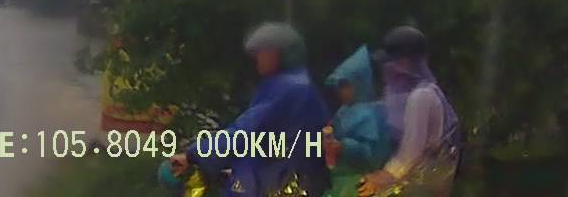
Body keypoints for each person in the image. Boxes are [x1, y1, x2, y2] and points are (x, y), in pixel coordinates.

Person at [170, 22, 331, 196]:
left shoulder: (290, 89)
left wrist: (193, 155)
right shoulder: (298, 86)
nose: (257, 59)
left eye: (263, 52)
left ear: (280, 54)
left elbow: (246, 132)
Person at [358, 26, 460, 197]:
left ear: (404, 64)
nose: (385, 67)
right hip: (418, 178)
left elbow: (411, 152)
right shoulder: (409, 93)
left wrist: (384, 177)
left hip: (425, 182)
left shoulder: (421, 96)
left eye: (390, 61)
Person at [321, 45, 392, 197]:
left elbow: (374, 154)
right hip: (339, 180)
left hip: (361, 182)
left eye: (345, 85)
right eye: (339, 86)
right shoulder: (343, 110)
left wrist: (344, 147)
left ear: (360, 82)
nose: (341, 91)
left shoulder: (372, 112)